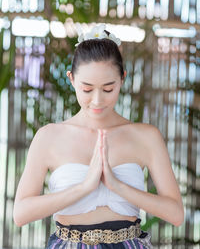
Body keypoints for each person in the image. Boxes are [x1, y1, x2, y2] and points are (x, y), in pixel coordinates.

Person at [13, 24, 184, 249]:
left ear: (122, 78)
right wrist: (83, 187)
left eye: (108, 89)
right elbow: (21, 214)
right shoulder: (48, 137)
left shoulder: (147, 137)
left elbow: (176, 214)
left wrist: (118, 186)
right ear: (71, 79)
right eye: (86, 89)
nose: (97, 100)